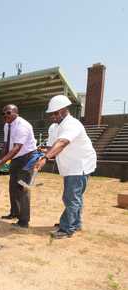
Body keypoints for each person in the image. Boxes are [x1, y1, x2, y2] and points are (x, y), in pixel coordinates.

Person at [34, 95, 97, 239]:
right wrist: (42, 151)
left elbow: (62, 143)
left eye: (55, 113)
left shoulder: (72, 124)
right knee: (75, 196)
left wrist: (45, 158)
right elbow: (52, 147)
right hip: (69, 165)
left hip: (80, 164)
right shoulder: (53, 127)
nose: (53, 116)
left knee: (70, 197)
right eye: (51, 114)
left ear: (64, 111)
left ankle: (67, 228)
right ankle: (75, 223)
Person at [0, 104, 37, 228]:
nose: (5, 116)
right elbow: (7, 144)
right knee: (13, 187)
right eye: (3, 114)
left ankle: (24, 221)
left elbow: (17, 147)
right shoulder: (7, 126)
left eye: (8, 113)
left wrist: (2, 162)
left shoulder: (22, 125)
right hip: (16, 159)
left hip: (28, 158)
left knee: (23, 188)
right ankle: (14, 213)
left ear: (15, 113)